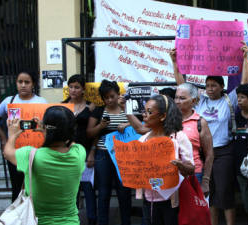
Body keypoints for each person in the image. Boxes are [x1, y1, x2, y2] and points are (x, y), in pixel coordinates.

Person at [171, 40, 248, 225]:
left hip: (223, 152)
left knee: (224, 191)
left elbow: (244, 83)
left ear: (222, 87)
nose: (210, 89)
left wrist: (245, 59)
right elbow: (182, 85)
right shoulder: (201, 101)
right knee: (209, 191)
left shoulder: (229, 100)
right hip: (203, 154)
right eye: (207, 86)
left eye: (214, 85)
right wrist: (175, 62)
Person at [3, 106, 86, 225]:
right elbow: (70, 141)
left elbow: (7, 152)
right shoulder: (79, 153)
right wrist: (47, 130)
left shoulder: (31, 155)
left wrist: (12, 134)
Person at [138, 94, 194, 225]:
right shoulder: (142, 140)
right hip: (149, 199)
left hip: (173, 200)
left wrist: (181, 166)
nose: (144, 115)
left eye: (149, 112)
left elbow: (191, 169)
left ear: (162, 116)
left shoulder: (178, 137)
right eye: (144, 111)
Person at [0, 70, 47, 202]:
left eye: (27, 82)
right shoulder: (8, 101)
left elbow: (47, 124)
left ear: (33, 84)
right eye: (20, 82)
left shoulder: (41, 102)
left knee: (35, 187)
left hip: (36, 152)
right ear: (16, 83)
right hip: (15, 152)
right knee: (17, 188)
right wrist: (4, 138)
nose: (23, 85)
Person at [86, 80, 131, 225]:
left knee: (124, 191)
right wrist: (100, 126)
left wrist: (128, 123)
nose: (110, 100)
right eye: (106, 98)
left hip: (124, 156)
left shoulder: (128, 109)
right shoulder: (99, 111)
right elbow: (89, 133)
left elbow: (141, 126)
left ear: (118, 94)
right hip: (103, 155)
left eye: (112, 96)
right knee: (104, 192)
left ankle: (126, 222)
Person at [62, 74, 96, 225]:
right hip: (67, 153)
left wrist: (93, 152)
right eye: (71, 87)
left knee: (88, 189)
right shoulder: (62, 105)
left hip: (86, 152)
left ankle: (91, 220)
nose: (73, 90)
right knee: (70, 190)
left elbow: (95, 131)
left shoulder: (91, 106)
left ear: (83, 89)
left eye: (77, 87)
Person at [174, 83, 214, 194]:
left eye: (182, 98)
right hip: (170, 175)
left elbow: (209, 154)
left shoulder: (200, 122)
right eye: (176, 97)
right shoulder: (168, 120)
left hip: (194, 175)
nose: (177, 101)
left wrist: (205, 182)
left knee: (192, 210)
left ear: (193, 101)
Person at [234, 84, 248, 222]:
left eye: (242, 97)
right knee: (246, 198)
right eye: (238, 97)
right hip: (241, 165)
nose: (239, 100)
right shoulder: (236, 115)